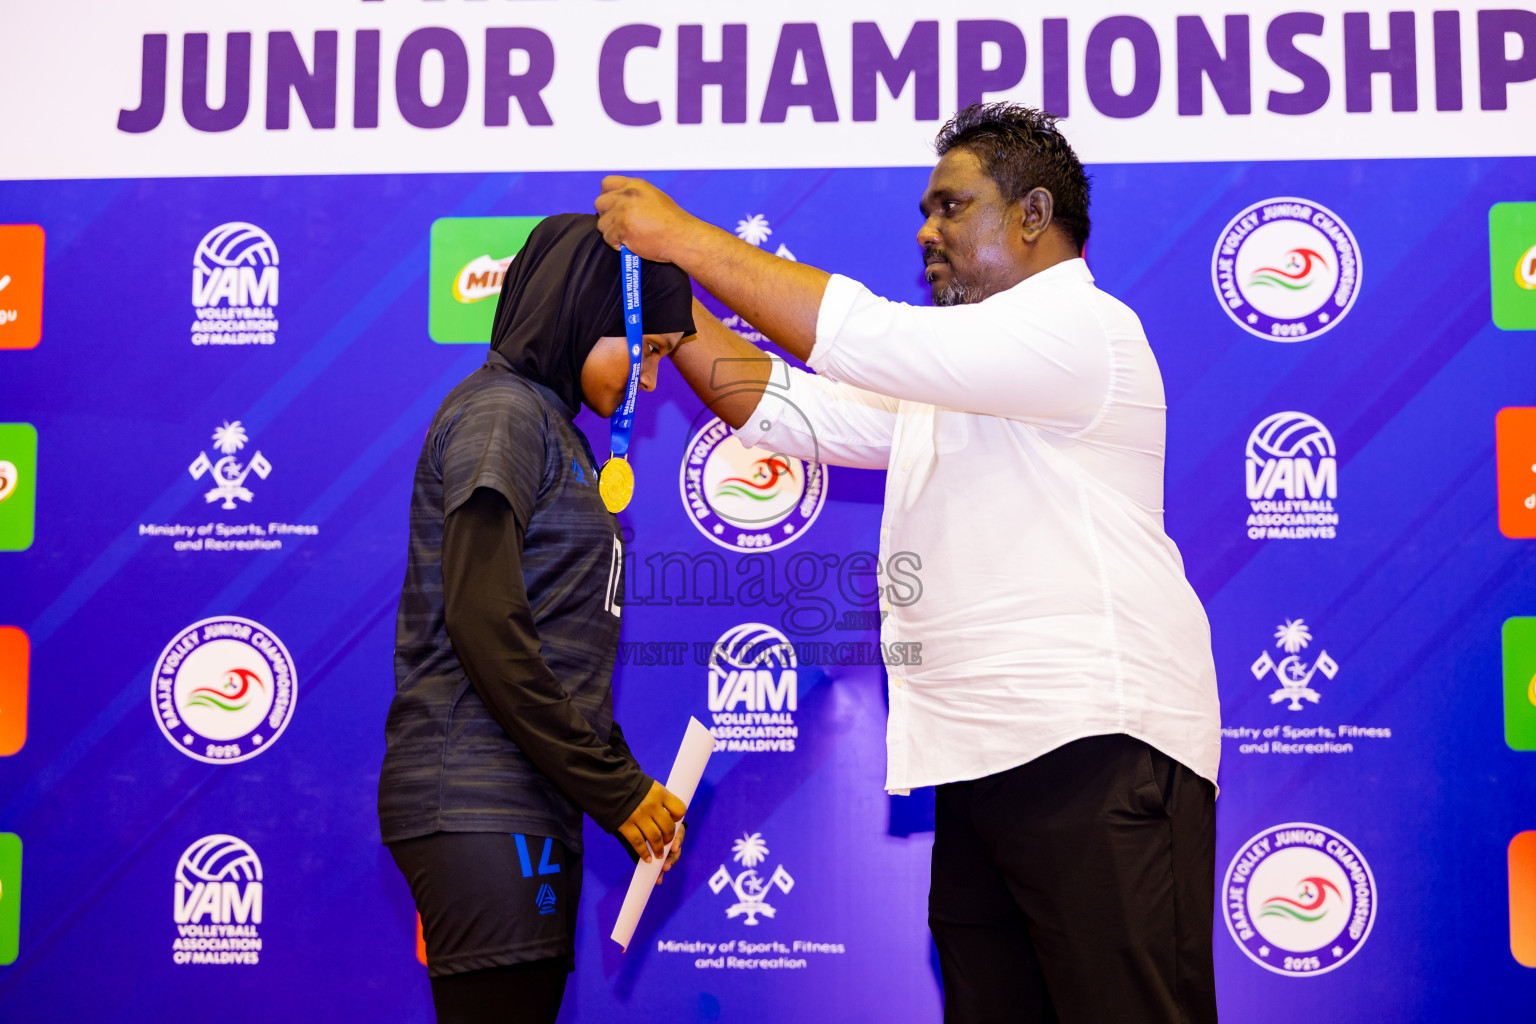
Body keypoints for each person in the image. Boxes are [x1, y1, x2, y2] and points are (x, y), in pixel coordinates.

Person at [594, 104, 1222, 1023]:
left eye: (951, 207)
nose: (926, 232)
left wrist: (682, 238)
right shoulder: (957, 379)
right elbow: (784, 410)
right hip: (980, 763)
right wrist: (674, 306)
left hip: (1096, 748)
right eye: (925, 212)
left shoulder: (1080, 327)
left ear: (1033, 216)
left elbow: (865, 335)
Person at [378, 213, 695, 1023]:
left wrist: (631, 793)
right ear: (590, 310)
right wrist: (617, 790)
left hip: (526, 803)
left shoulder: (555, 429)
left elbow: (554, 652)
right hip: (478, 800)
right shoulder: (503, 414)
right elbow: (484, 622)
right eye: (649, 350)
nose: (651, 381)